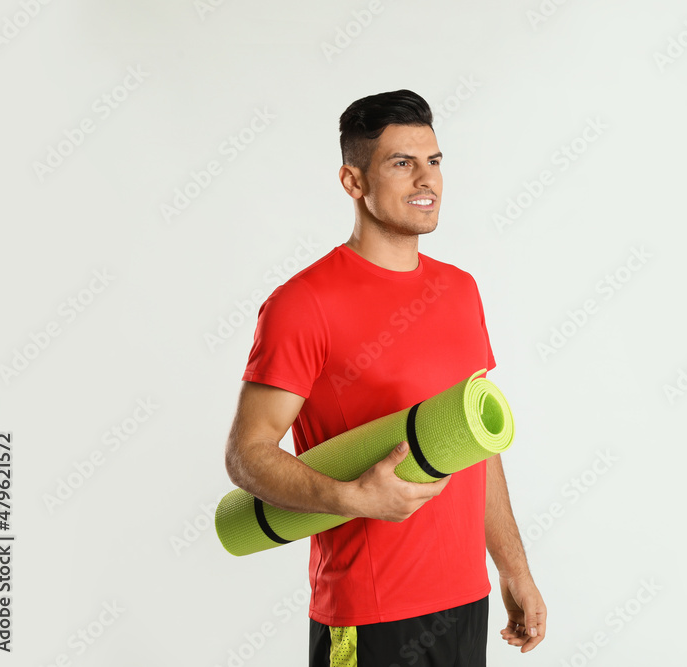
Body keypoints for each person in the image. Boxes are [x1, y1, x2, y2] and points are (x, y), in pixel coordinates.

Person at [223, 89, 546, 666]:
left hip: (464, 603)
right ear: (353, 181)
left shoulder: (459, 290)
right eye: (402, 163)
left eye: (435, 161)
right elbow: (247, 455)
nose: (427, 179)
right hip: (369, 611)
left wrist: (514, 568)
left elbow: (476, 446)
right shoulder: (303, 304)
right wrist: (349, 497)